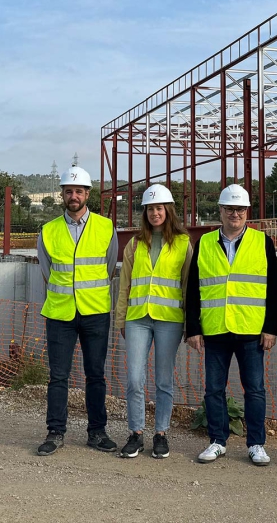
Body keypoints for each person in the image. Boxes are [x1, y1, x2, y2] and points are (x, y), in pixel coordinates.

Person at [185, 184, 277, 467]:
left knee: (254, 389)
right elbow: (193, 289)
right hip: (215, 329)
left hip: (251, 330)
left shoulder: (262, 242)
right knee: (214, 389)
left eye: (240, 209)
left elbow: (274, 288)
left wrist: (271, 328)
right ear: (221, 211)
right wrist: (193, 328)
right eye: (229, 209)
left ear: (246, 212)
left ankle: (256, 444)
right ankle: (217, 440)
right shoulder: (204, 242)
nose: (235, 214)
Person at [36, 166, 119, 456]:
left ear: (87, 194)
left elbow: (108, 270)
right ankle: (55, 432)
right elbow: (47, 272)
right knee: (58, 376)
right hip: (60, 314)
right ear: (62, 195)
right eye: (69, 191)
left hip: (95, 312)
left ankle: (97, 432)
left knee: (95, 374)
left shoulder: (106, 227)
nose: (74, 196)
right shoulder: (48, 230)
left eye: (79, 191)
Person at [114, 184, 193, 459]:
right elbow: (124, 284)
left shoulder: (183, 243)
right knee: (135, 379)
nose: (155, 213)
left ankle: (161, 433)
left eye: (159, 208)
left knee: (163, 380)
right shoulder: (135, 244)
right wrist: (120, 318)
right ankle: (136, 433)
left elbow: (187, 285)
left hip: (169, 320)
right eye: (150, 209)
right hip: (137, 319)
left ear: (168, 210)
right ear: (144, 212)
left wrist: (189, 324)